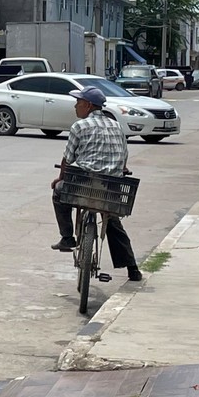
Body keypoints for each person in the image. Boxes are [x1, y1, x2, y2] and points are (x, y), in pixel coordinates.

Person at [50, 87, 141, 281]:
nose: (76, 106)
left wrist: (60, 177)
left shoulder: (80, 126)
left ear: (89, 105)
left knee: (58, 192)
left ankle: (67, 238)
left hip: (83, 184)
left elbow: (68, 158)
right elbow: (123, 156)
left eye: (79, 102)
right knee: (112, 221)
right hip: (110, 187)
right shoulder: (117, 126)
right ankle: (132, 268)